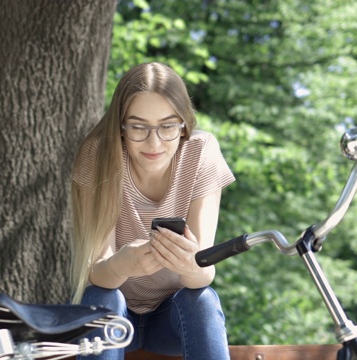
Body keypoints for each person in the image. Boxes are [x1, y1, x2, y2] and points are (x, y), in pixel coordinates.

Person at [69, 62, 234, 359]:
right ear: (120, 126)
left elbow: (202, 275)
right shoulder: (98, 154)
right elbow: (95, 271)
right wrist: (122, 265)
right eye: (138, 127)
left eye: (168, 126)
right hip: (116, 317)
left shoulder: (201, 151)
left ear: (184, 124)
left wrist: (188, 264)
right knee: (102, 298)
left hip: (172, 319)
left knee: (203, 300)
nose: (154, 142)